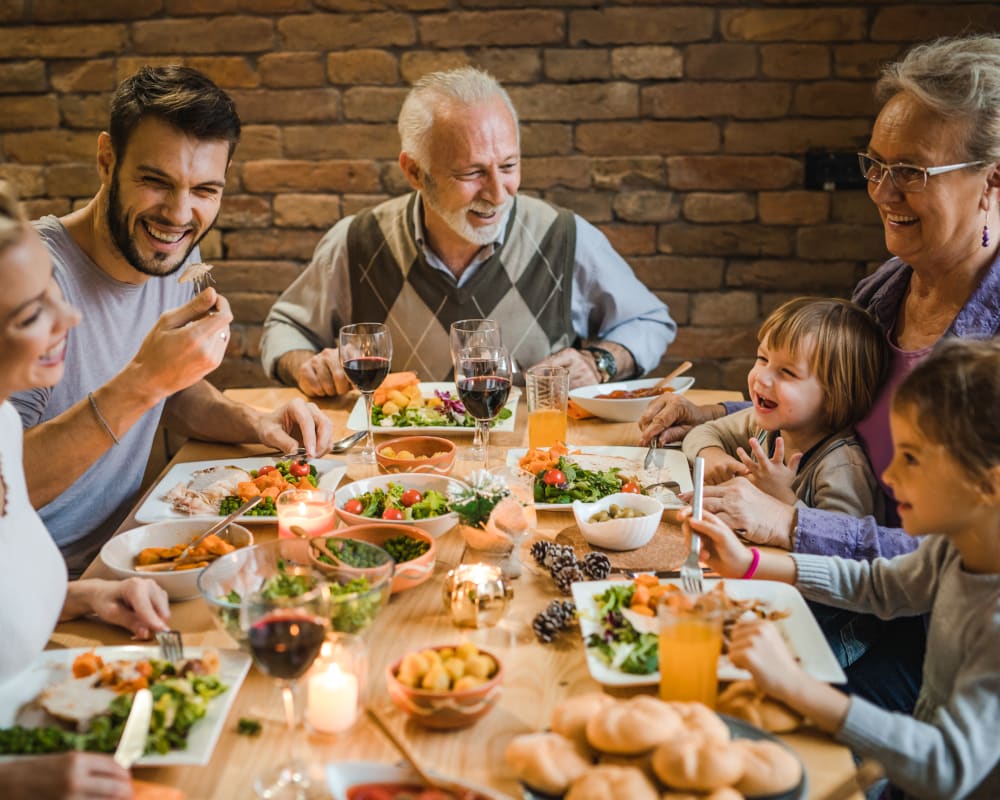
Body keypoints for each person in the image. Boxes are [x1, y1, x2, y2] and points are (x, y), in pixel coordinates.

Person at [639, 34, 1000, 561]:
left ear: (993, 179)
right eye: (875, 164)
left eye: (910, 172)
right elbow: (831, 403)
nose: (880, 190)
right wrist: (710, 413)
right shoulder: (885, 290)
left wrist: (792, 524)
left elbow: (966, 554)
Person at [10, 66, 334, 578]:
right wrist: (144, 382)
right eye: (156, 181)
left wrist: (254, 423)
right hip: (38, 590)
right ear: (106, 160)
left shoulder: (172, 250)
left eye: (205, 190)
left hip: (138, 552)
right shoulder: (24, 283)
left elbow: (175, 392)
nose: (179, 215)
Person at [687, 338, 1000, 800]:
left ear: (987, 484)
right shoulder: (952, 551)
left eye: (911, 458)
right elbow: (878, 585)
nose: (890, 477)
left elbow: (948, 766)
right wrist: (751, 562)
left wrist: (798, 686)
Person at [260, 66, 676, 395]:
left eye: (509, 166)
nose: (498, 193)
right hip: (398, 476)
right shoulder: (357, 241)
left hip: (535, 469)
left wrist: (599, 362)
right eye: (472, 172)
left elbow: (650, 321)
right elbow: (285, 328)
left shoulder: (565, 236)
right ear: (415, 172)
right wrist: (304, 365)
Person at [0, 183, 172, 798]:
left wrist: (83, 597)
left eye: (52, 288)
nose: (69, 316)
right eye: (30, 314)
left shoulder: (1, 425)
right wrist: (14, 782)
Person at [683, 297, 887, 522]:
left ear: (833, 396)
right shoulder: (767, 422)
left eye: (787, 372)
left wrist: (781, 495)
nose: (762, 377)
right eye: (762, 358)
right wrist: (712, 455)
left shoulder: (841, 466)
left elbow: (842, 541)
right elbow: (702, 432)